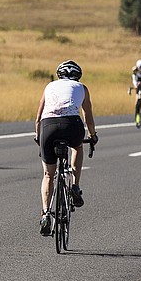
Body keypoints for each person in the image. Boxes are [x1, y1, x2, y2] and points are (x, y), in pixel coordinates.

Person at [34, 60, 97, 236]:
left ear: (58, 75)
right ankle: (75, 186)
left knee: (48, 175)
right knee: (77, 146)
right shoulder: (82, 88)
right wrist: (93, 136)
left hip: (48, 126)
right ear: (78, 76)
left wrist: (39, 137)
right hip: (72, 125)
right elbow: (88, 117)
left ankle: (46, 214)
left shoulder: (49, 86)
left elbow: (38, 117)